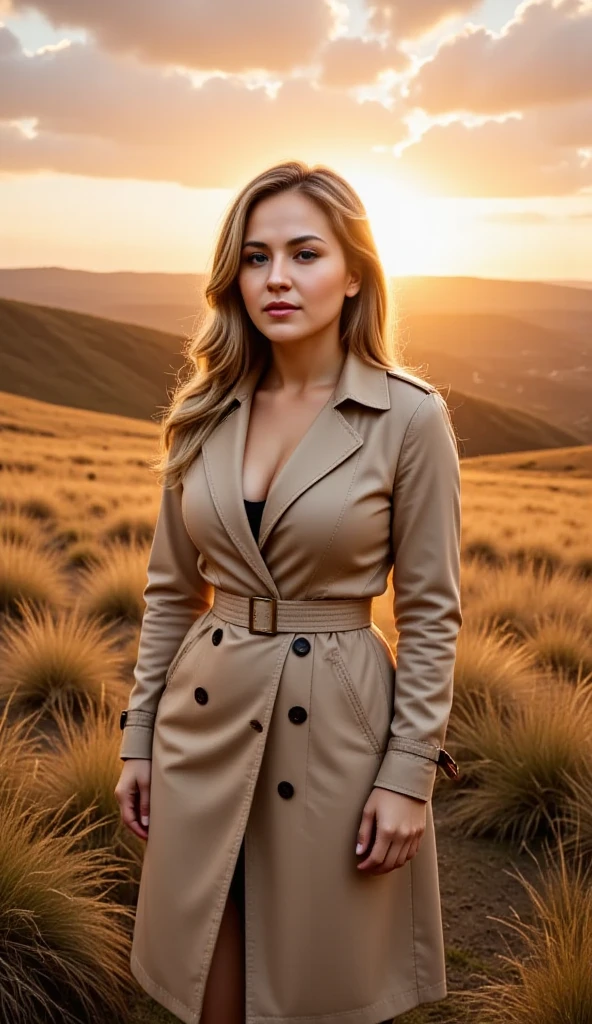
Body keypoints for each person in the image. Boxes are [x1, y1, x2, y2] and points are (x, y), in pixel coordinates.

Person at [115, 160, 463, 1024]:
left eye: (305, 254)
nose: (277, 277)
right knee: (211, 980)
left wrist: (409, 775)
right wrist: (137, 737)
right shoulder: (200, 411)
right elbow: (169, 593)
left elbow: (430, 614)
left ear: (354, 274)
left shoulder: (410, 418)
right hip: (204, 716)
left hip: (339, 729)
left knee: (315, 985)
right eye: (257, 255)